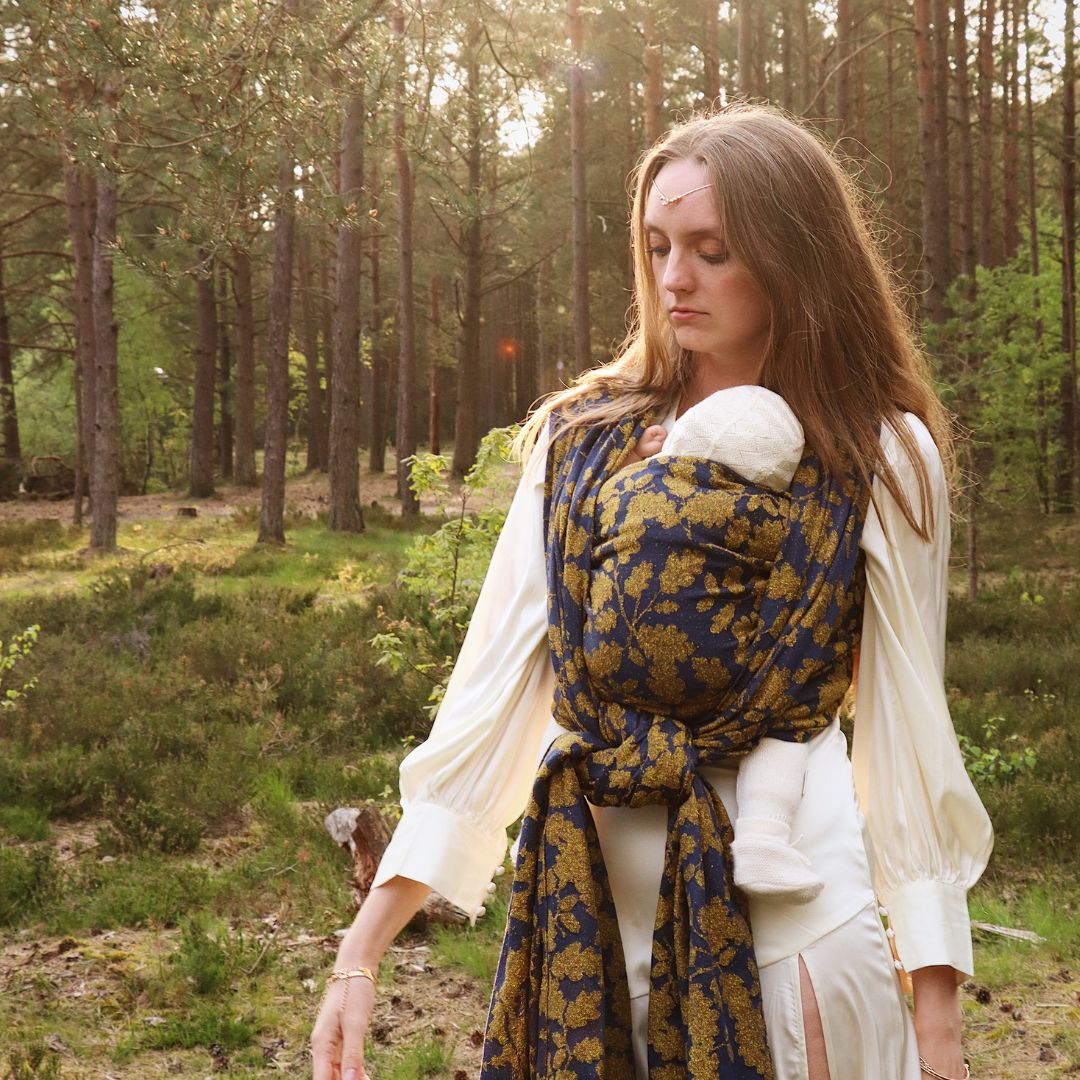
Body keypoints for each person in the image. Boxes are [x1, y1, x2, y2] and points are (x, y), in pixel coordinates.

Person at [310, 102, 993, 1080]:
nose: (675, 278)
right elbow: (491, 702)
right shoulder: (583, 440)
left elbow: (910, 736)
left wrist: (938, 1019)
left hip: (793, 946)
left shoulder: (879, 453)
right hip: (587, 937)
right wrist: (362, 951)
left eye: (714, 251)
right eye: (660, 247)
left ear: (795, 256)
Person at [623, 384, 826, 905]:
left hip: (612, 671)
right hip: (714, 682)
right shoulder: (775, 518)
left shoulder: (623, 491)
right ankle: (763, 836)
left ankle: (571, 798)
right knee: (797, 692)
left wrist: (637, 461)